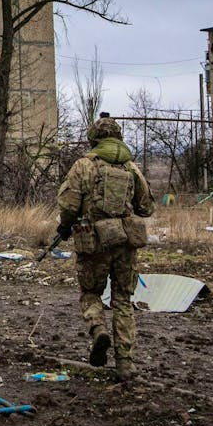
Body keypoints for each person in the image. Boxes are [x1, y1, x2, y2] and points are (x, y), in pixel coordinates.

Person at [56, 113, 154, 381]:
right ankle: (125, 363)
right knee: (123, 300)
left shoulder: (84, 166)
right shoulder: (131, 168)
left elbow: (68, 205)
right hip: (125, 243)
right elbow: (146, 207)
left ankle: (98, 329)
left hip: (94, 242)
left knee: (90, 293)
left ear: (93, 139)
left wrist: (65, 225)